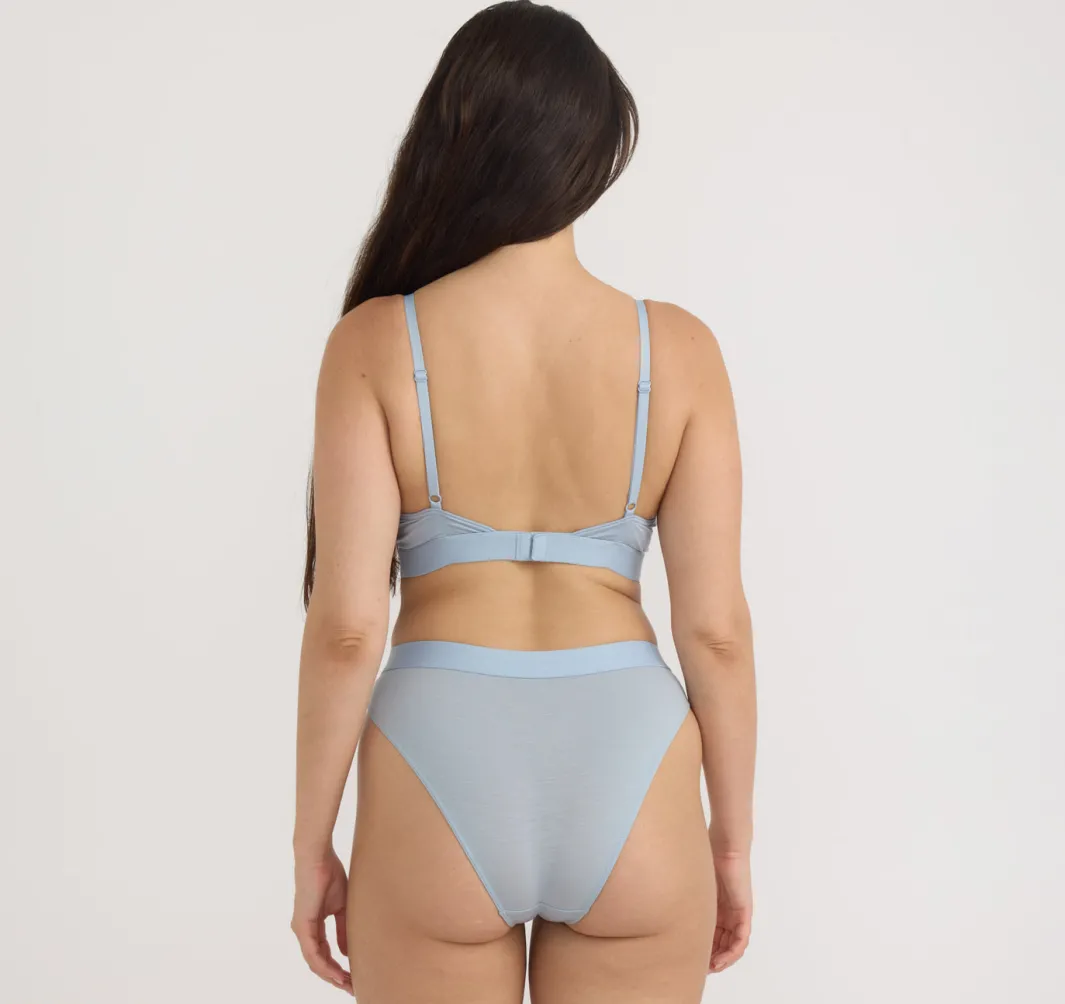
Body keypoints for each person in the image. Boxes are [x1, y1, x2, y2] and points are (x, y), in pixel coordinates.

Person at [291, 3, 756, 1001]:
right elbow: (714, 632)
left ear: (453, 137)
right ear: (592, 154)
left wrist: (310, 845)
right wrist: (729, 843)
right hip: (631, 757)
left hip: (437, 755)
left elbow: (347, 629)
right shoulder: (678, 350)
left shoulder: (375, 342)